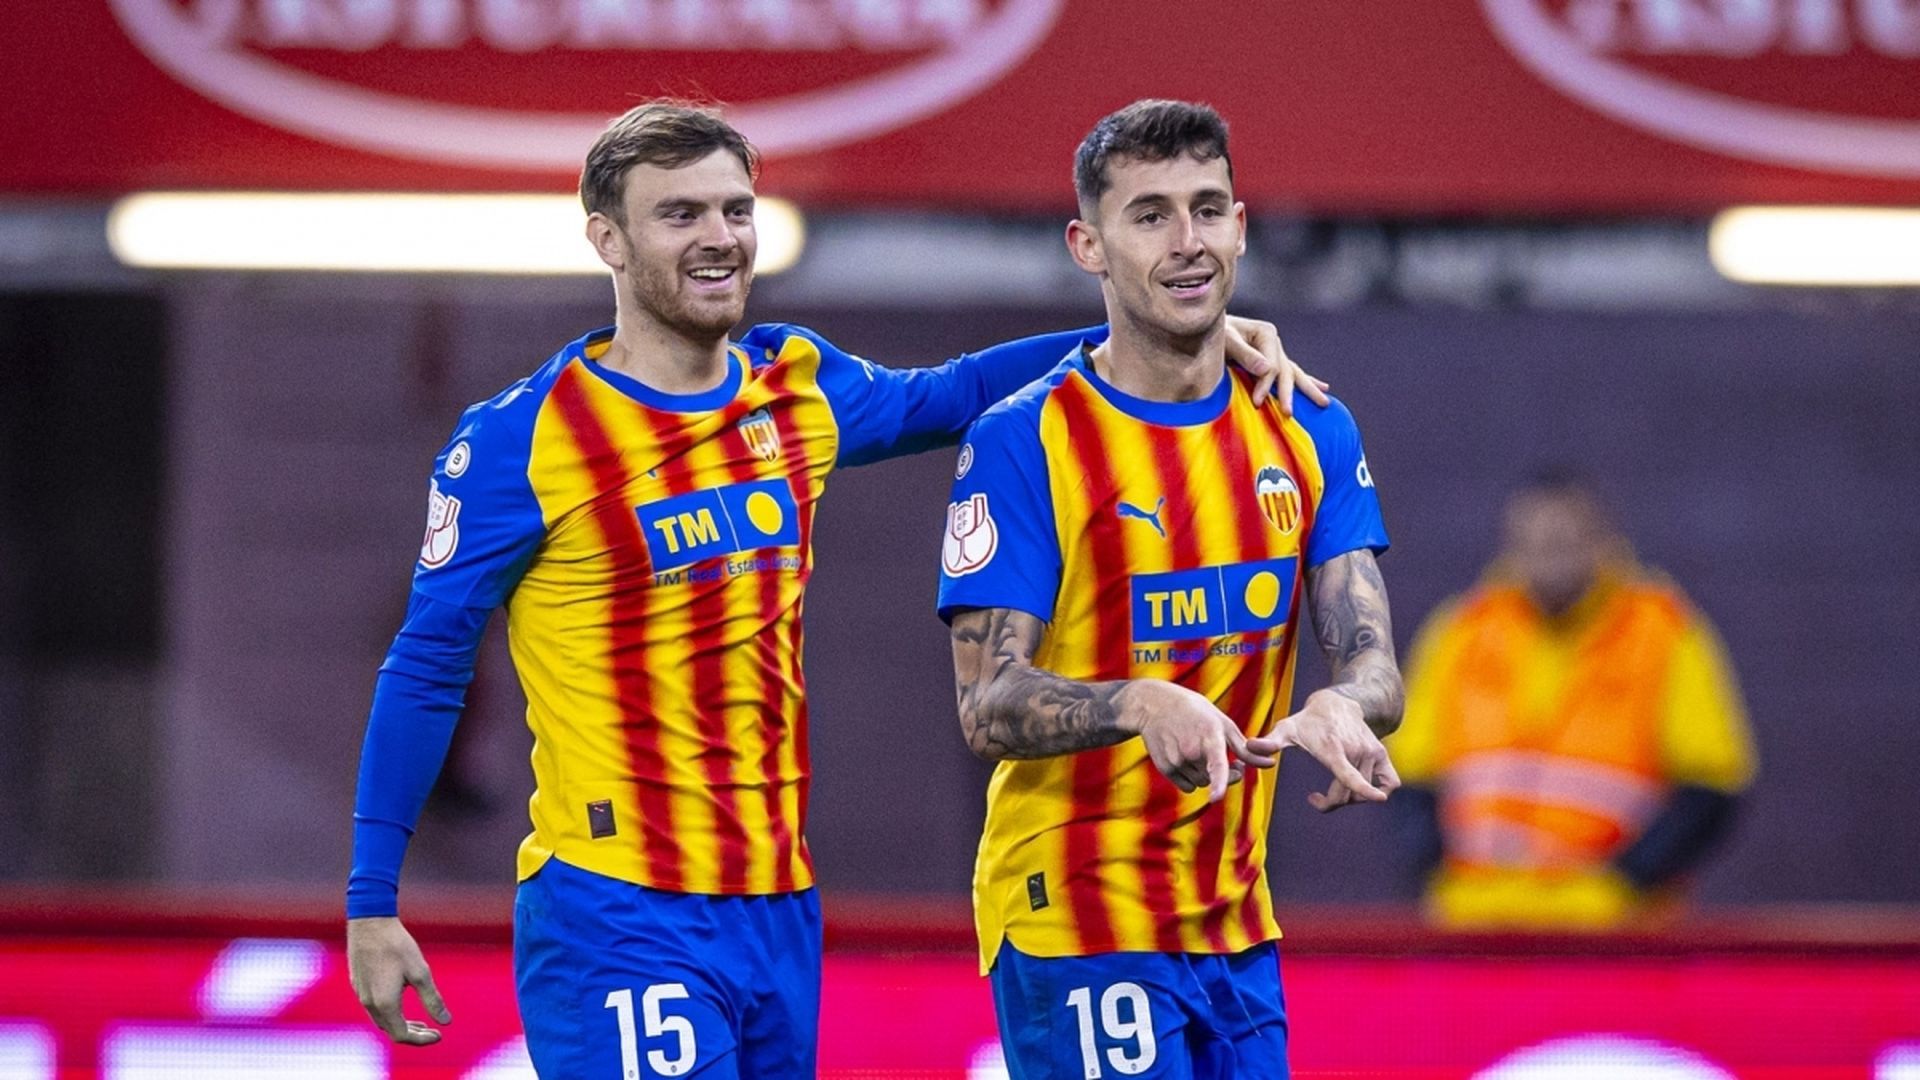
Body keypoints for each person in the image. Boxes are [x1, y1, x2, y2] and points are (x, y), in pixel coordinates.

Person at [343, 100, 1322, 1078]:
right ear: (607, 239)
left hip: (777, 910)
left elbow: (956, 392)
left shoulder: (795, 386)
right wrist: (372, 901)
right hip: (616, 908)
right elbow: (427, 664)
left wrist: (1183, 333)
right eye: (680, 215)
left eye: (736, 210)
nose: (719, 236)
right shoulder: (521, 440)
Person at [938, 100, 1404, 1080]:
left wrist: (1343, 705)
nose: (1188, 240)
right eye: (1150, 216)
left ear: (1241, 227)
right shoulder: (1026, 439)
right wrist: (1139, 703)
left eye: (1208, 208)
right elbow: (988, 703)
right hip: (1074, 915)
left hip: (1234, 921)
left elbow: (1372, 664)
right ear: (1089, 247)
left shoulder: (1310, 425)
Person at [1391, 468, 1756, 930]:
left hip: (1611, 929)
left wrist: (1622, 885)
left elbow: (1709, 789)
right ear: (1509, 545)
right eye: (1533, 542)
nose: (1548, 558)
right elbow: (1412, 779)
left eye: (1564, 542)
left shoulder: (1663, 633)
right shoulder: (1463, 631)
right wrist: (1440, 878)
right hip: (1475, 921)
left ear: (1604, 541)